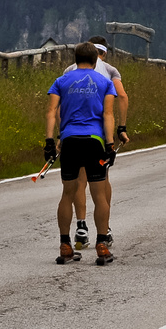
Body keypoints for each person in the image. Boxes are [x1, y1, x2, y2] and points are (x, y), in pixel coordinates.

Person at [46, 41, 119, 265]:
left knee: (67, 193)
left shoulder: (61, 81)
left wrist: (50, 141)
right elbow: (108, 114)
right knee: (99, 194)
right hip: (94, 141)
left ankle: (65, 244)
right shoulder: (105, 82)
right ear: (97, 59)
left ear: (75, 59)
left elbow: (51, 111)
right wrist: (110, 144)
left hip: (69, 140)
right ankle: (101, 245)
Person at [64, 35, 131, 249]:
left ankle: (81, 226)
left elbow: (59, 103)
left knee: (77, 182)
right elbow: (122, 96)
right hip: (98, 132)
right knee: (101, 183)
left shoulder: (67, 72)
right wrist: (121, 128)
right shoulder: (110, 71)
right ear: (103, 54)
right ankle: (105, 229)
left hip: (71, 132)